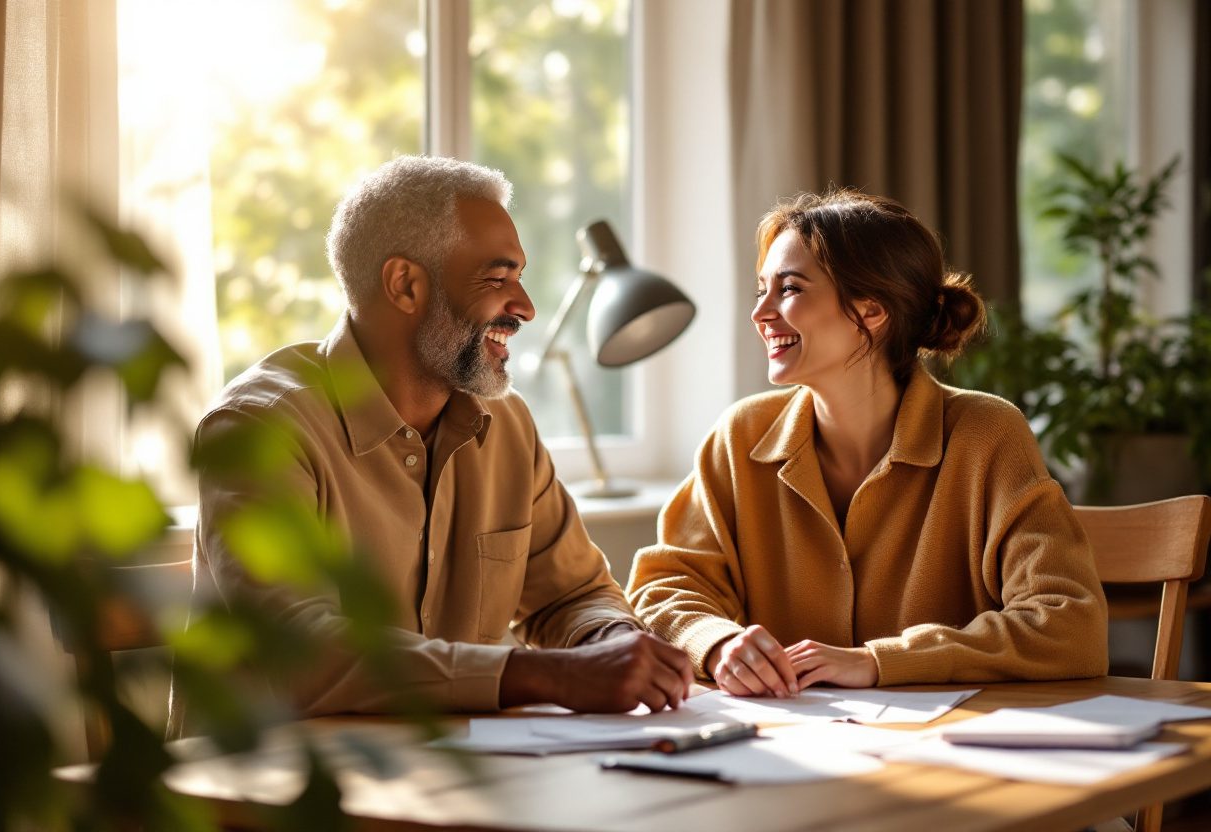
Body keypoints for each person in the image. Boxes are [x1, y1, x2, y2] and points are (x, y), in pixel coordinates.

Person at [177, 156, 691, 729]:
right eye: (497, 279)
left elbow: (570, 595)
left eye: (519, 277)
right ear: (406, 285)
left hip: (454, 775)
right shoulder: (261, 428)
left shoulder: (508, 427)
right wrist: (549, 675)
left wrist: (613, 641)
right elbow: (302, 655)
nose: (525, 307)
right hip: (269, 798)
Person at [626, 188, 1108, 698]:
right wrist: (718, 644)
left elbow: (1070, 625)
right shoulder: (740, 436)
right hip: (789, 750)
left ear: (871, 311)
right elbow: (663, 588)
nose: (760, 313)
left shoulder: (986, 434)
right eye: (760, 290)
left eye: (788, 289)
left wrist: (880, 662)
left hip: (945, 755)